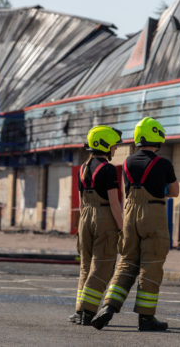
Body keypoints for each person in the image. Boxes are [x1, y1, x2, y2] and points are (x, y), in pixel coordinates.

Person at [91, 117, 179, 332]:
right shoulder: (163, 163)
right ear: (157, 136)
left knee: (127, 262)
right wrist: (161, 189)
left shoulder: (128, 162)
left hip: (130, 215)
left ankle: (108, 307)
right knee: (151, 264)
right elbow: (175, 191)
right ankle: (146, 318)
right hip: (153, 214)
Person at [69, 125, 124, 326]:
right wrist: (121, 228)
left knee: (85, 265)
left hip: (85, 217)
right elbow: (114, 203)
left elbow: (81, 201)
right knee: (102, 265)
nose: (115, 150)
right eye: (113, 146)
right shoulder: (108, 169)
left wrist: (81, 224)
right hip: (103, 217)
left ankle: (78, 311)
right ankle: (89, 311)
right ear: (105, 145)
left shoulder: (83, 168)